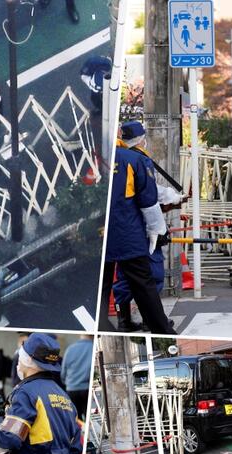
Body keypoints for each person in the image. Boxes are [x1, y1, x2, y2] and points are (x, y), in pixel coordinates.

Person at [102, 121, 176, 334]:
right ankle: (161, 329)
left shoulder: (99, 157)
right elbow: (148, 201)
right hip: (128, 233)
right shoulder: (136, 160)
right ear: (142, 138)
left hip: (103, 234)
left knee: (103, 286)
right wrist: (157, 230)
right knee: (143, 284)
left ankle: (104, 325)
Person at [61, 335, 94, 417]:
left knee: (75, 420)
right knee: (88, 419)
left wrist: (69, 384)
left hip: (71, 389)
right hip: (86, 389)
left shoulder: (70, 349)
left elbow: (63, 373)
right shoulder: (92, 347)